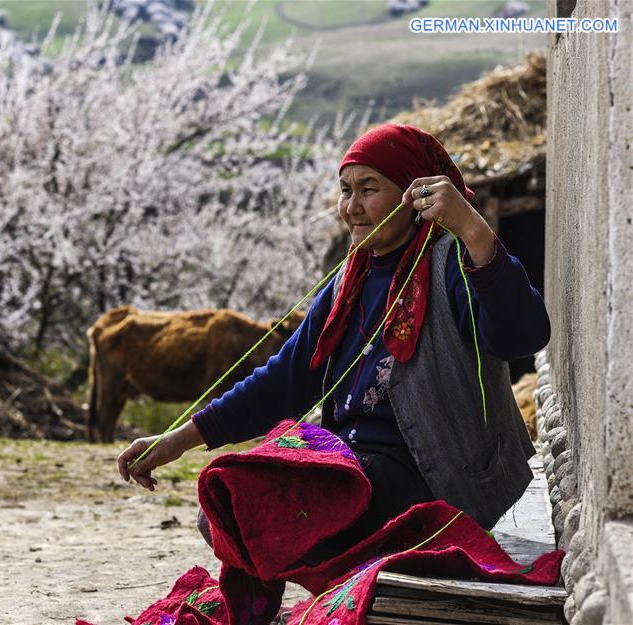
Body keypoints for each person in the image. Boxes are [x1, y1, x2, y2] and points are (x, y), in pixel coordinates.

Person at [116, 123, 550, 561]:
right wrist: (177, 439)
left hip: (433, 476)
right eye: (346, 190)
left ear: (414, 196)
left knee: (280, 514)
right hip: (350, 463)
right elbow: (286, 378)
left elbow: (523, 336)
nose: (351, 207)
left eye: (369, 189)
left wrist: (473, 231)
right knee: (226, 504)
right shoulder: (351, 278)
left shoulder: (452, 263)